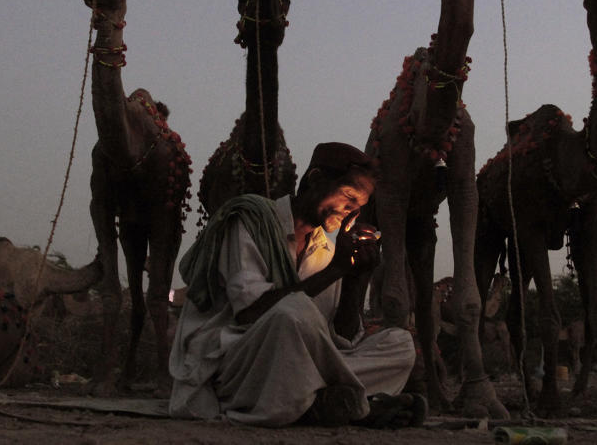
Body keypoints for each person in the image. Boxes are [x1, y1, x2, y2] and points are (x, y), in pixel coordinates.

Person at [169, 142, 422, 427]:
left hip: (298, 367)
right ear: (315, 179)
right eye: (348, 197)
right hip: (238, 366)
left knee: (399, 343)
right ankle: (349, 402)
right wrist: (335, 269)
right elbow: (250, 314)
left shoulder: (328, 249)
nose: (351, 213)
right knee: (290, 313)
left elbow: (339, 339)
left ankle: (324, 400)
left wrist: (355, 277)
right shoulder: (250, 221)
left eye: (359, 208)